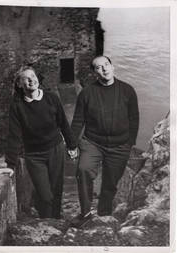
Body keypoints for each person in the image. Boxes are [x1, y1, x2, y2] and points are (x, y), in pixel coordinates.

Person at [69, 55, 139, 228]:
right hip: (93, 142)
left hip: (120, 145)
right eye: (99, 67)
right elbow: (78, 121)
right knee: (83, 170)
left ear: (112, 67)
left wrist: (129, 143)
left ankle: (104, 212)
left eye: (107, 65)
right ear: (95, 73)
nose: (105, 69)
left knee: (110, 182)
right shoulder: (87, 93)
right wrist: (72, 144)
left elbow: (134, 119)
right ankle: (85, 213)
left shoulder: (127, 90)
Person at [5, 65, 76, 219]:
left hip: (56, 149)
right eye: (26, 78)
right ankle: (46, 221)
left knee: (56, 190)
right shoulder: (17, 107)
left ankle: (56, 220)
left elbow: (63, 123)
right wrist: (10, 164)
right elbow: (14, 136)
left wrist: (72, 145)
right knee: (45, 194)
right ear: (19, 84)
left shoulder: (51, 98)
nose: (32, 80)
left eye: (33, 76)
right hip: (34, 156)